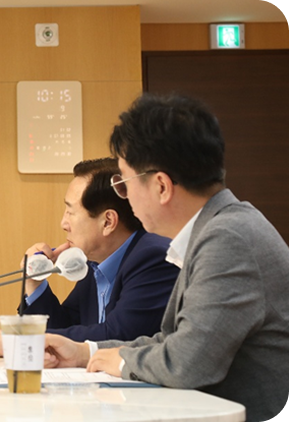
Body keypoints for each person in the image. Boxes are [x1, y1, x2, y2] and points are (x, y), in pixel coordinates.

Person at [43, 94, 289, 422]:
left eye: (124, 183)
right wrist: (85, 352)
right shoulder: (216, 229)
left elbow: (188, 362)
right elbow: (172, 341)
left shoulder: (228, 239)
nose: (124, 197)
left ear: (161, 186)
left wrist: (121, 360)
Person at [0, 158, 179, 358]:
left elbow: (119, 335)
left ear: (108, 222)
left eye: (70, 212)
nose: (63, 223)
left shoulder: (154, 258)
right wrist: (34, 282)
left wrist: (22, 340)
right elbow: (66, 329)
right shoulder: (94, 262)